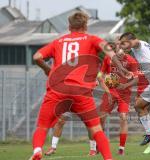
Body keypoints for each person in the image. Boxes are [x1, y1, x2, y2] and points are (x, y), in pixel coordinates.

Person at [30, 11, 130, 160]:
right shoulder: (91, 39)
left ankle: (37, 150)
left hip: (57, 89)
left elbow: (37, 57)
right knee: (96, 129)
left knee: (42, 126)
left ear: (69, 26)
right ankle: (108, 158)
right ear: (85, 25)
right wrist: (120, 67)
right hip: (80, 90)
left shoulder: (58, 42)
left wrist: (47, 69)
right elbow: (106, 48)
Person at [88, 40, 139, 156]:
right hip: (110, 92)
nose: (114, 47)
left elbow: (137, 79)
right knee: (101, 118)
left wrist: (125, 85)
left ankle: (121, 148)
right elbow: (101, 74)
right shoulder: (108, 59)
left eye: (117, 45)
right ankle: (97, 146)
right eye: (112, 46)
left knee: (123, 117)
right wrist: (100, 80)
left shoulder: (131, 60)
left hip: (124, 94)